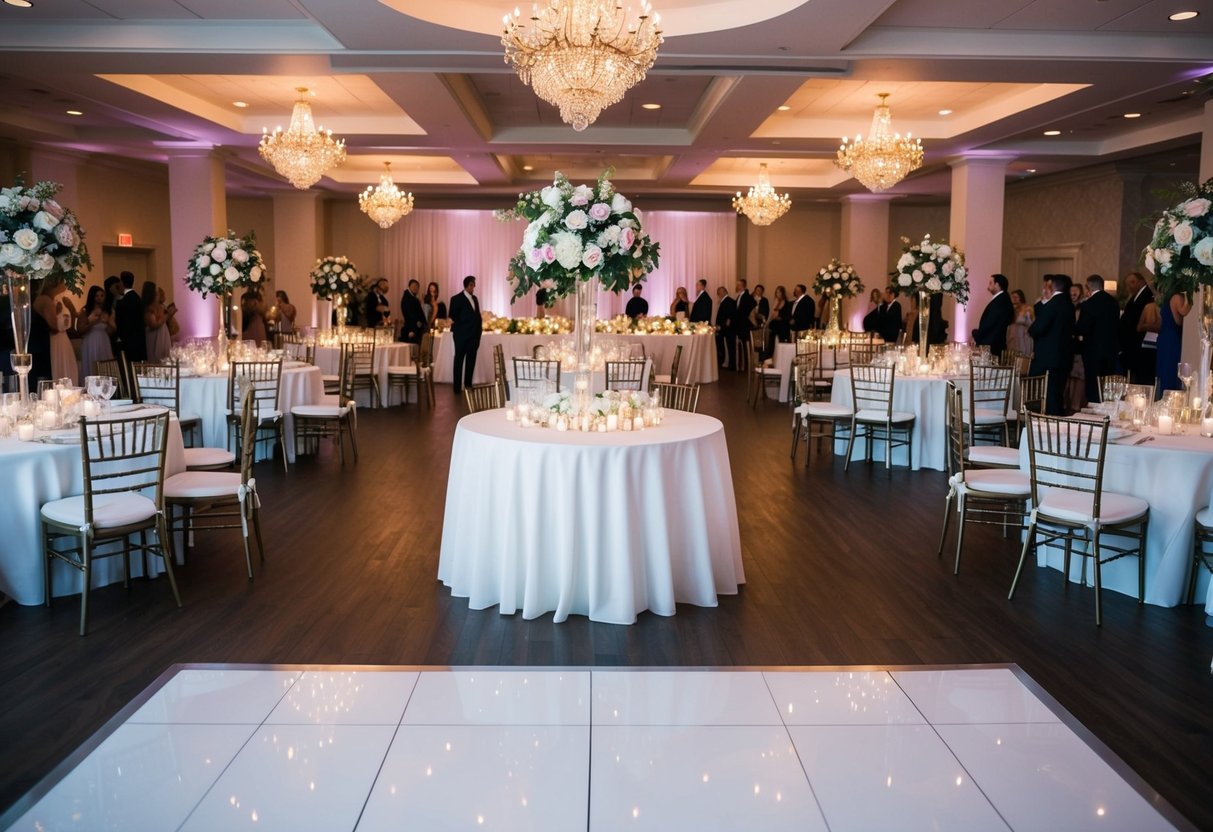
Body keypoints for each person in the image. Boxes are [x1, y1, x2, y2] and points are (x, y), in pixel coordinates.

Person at [1028, 274, 1074, 415]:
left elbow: (1038, 328)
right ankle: (1057, 422)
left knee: (1049, 397)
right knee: (1057, 394)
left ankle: (1050, 423)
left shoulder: (1053, 304)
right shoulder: (1069, 304)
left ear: (1052, 286)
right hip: (1064, 356)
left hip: (1049, 357)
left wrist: (1031, 330)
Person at [1075, 274, 1119, 402]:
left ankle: (1094, 409)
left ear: (1088, 287)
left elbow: (1082, 328)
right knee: (1107, 385)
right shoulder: (1113, 302)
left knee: (1093, 384)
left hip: (1092, 351)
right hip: (1110, 350)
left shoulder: (1088, 304)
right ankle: (1107, 409)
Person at [1147, 289, 1192, 395]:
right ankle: (1169, 395)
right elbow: (1181, 317)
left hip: (1164, 337)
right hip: (1172, 338)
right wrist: (1190, 300)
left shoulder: (1166, 299)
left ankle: (1162, 395)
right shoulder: (1177, 297)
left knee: (1164, 369)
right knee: (1170, 368)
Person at [1117, 271, 1155, 387]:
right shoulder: (1134, 296)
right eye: (1128, 284)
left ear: (1142, 282)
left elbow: (1137, 319)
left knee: (1140, 375)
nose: (1130, 286)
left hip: (1138, 342)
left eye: (1132, 282)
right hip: (1132, 343)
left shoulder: (1147, 296)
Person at [449, 275, 482, 394]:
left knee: (471, 361)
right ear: (467, 285)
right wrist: (464, 323)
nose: (474, 287)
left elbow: (477, 316)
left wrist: (479, 333)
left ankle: (468, 384)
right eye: (472, 285)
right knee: (459, 360)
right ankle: (457, 388)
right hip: (461, 336)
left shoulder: (475, 299)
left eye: (474, 285)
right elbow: (452, 315)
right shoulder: (456, 299)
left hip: (474, 336)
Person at [972, 273, 1014, 358]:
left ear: (997, 285)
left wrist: (976, 334)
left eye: (991, 283)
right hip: (994, 343)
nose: (988, 286)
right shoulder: (1003, 299)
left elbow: (990, 322)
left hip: (992, 345)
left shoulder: (1000, 301)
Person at [79, 285, 114, 378]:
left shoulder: (106, 311)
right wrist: (94, 321)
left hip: (104, 340)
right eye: (97, 296)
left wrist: (108, 322)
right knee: (92, 364)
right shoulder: (86, 311)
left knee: (105, 365)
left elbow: (110, 331)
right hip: (91, 341)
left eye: (102, 296)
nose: (99, 298)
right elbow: (80, 329)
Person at [114, 270, 146, 362]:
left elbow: (120, 322)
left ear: (122, 282)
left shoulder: (123, 301)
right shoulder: (137, 298)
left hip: (127, 343)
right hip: (139, 340)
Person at [142, 281, 173, 363]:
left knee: (165, 356)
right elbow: (153, 325)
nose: (158, 295)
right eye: (156, 293)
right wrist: (167, 315)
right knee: (156, 357)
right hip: (155, 336)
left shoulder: (160, 306)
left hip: (162, 334)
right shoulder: (148, 309)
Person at [734, 279, 755, 370]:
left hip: (745, 326)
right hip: (740, 325)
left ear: (742, 285)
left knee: (747, 346)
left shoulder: (747, 297)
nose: (736, 286)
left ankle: (747, 365)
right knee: (742, 346)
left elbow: (751, 312)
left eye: (738, 285)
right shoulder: (739, 296)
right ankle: (742, 365)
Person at [715, 285, 736, 370]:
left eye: (720, 292)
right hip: (726, 328)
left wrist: (721, 326)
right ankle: (728, 364)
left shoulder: (728, 301)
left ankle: (731, 365)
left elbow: (729, 317)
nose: (719, 294)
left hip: (727, 329)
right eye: (718, 293)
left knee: (730, 347)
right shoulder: (727, 301)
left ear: (724, 292)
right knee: (728, 347)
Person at [399, 278, 427, 344]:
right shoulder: (408, 297)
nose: (415, 288)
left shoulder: (412, 297)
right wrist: (415, 325)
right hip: (412, 328)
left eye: (417, 287)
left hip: (414, 327)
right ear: (409, 286)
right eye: (413, 286)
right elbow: (410, 314)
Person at [1007, 289, 1034, 356]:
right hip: (1013, 337)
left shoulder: (1028, 308)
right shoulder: (1012, 310)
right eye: (1012, 297)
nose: (1014, 299)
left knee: (1023, 356)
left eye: (1016, 297)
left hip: (1024, 337)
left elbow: (1032, 323)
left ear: (1021, 297)